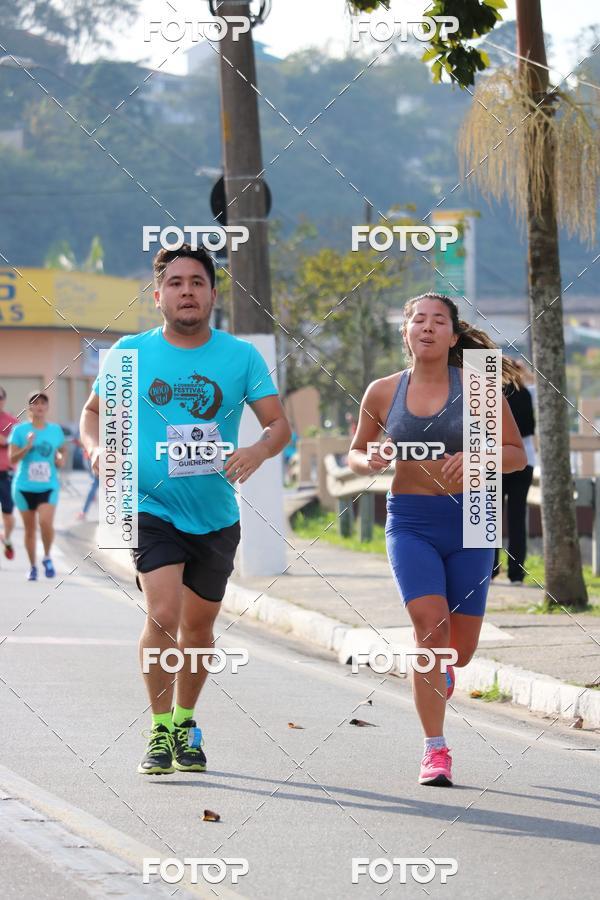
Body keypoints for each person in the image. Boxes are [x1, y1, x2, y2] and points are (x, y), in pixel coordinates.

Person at [80, 244, 291, 776]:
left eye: (197, 282)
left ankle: (184, 721)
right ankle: (157, 732)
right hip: (151, 504)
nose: (187, 291)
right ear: (158, 296)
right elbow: (91, 415)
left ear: (213, 294)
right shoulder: (129, 354)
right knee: (164, 615)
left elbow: (279, 426)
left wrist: (257, 450)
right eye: (175, 283)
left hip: (215, 512)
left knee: (198, 630)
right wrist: (97, 447)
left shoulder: (240, 357)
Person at [349, 292, 526, 787]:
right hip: (411, 521)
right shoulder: (383, 391)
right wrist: (373, 458)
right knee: (430, 631)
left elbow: (516, 455)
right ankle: (435, 749)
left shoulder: (480, 387)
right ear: (405, 331)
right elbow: (355, 454)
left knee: (459, 651)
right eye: (418, 320)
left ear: (452, 335)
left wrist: (480, 459)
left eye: (438, 321)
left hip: (474, 518)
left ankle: (441, 673)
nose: (427, 327)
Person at [8, 391, 66, 581]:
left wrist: (60, 458)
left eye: (43, 403)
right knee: (30, 528)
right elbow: (12, 458)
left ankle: (47, 557)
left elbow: (62, 448)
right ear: (29, 407)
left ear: (47, 407)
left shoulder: (55, 430)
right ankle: (33, 566)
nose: (39, 406)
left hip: (48, 486)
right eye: (35, 403)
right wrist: (27, 446)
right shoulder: (20, 431)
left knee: (45, 522)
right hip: (24, 487)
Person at [492, 360, 536, 583]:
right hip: (525, 463)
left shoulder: (492, 397)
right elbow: (539, 385)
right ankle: (516, 573)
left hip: (497, 462)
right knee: (518, 518)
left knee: (492, 517)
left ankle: (490, 570)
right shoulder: (529, 394)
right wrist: (524, 372)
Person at [0, 386, 18, 560]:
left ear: (4, 400)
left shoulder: (12, 422)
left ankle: (7, 537)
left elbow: (17, 446)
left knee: (8, 514)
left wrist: (5, 441)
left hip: (5, 473)